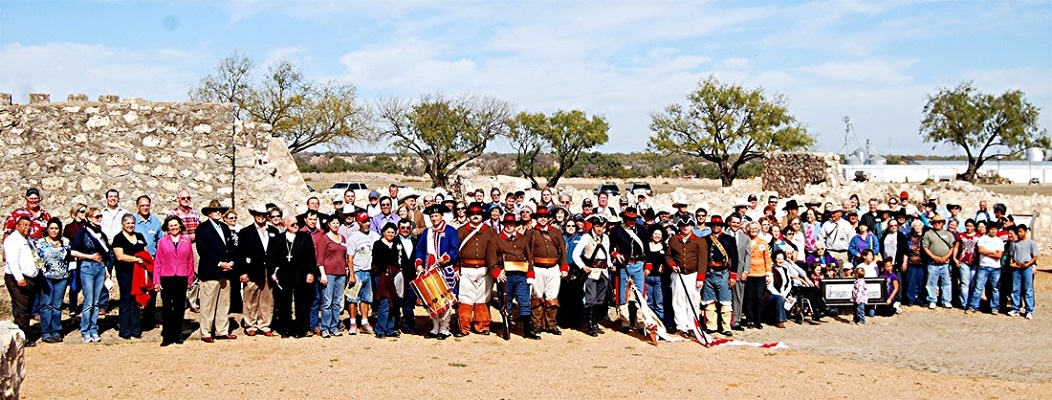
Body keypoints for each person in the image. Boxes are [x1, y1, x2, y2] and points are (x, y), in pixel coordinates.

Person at [415, 204, 461, 339]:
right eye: (432, 216)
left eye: (436, 216)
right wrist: (418, 263)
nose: (434, 218)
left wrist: (446, 258)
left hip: (444, 268)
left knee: (445, 299)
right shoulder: (427, 232)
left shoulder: (451, 231)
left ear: (442, 216)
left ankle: (445, 327)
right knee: (432, 298)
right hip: (429, 267)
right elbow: (420, 249)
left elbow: (455, 249)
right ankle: (435, 326)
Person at [452, 202, 496, 337]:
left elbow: (495, 251)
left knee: (482, 299)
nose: (475, 217)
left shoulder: (490, 231)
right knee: (465, 299)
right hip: (466, 269)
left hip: (484, 269)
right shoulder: (461, 231)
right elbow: (455, 251)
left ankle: (482, 326)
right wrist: (456, 267)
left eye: (478, 214)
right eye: (472, 214)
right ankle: (463, 327)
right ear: (468, 215)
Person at [236, 204, 280, 337]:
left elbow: (277, 253)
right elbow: (240, 254)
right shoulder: (245, 232)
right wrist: (243, 272)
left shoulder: (273, 231)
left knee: (267, 298)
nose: (260, 217)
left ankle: (265, 324)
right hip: (252, 270)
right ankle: (250, 325)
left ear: (267, 216)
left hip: (269, 270)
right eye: (257, 214)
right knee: (250, 297)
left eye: (263, 214)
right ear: (254, 215)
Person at [196, 200, 237, 343]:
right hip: (211, 271)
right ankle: (206, 331)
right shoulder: (202, 228)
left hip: (225, 272)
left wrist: (231, 261)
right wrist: (219, 263)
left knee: (223, 303)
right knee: (208, 303)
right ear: (209, 213)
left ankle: (222, 329)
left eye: (220, 211)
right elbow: (203, 250)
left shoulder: (225, 227)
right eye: (215, 211)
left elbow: (231, 246)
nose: (218, 213)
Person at [69, 208, 112, 343]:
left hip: (100, 268)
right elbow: (73, 252)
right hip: (87, 267)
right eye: (96, 216)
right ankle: (85, 330)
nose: (98, 219)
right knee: (88, 301)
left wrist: (106, 269)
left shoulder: (102, 234)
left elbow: (105, 255)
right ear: (89, 217)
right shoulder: (82, 233)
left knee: (96, 301)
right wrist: (90, 257)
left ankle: (94, 328)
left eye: (100, 216)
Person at [526, 207, 568, 335]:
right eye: (540, 217)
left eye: (544, 217)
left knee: (552, 296)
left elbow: (562, 250)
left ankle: (551, 324)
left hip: (554, 268)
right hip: (537, 267)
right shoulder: (531, 233)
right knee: (537, 297)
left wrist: (564, 267)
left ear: (548, 218)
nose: (542, 219)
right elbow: (526, 252)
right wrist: (530, 270)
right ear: (536, 219)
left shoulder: (556, 232)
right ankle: (537, 324)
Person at [571, 215, 614, 337]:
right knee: (590, 298)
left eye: (602, 226)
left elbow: (607, 253)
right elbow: (575, 254)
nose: (600, 229)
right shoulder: (586, 237)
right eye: (597, 226)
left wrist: (610, 264)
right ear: (593, 226)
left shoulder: (605, 237)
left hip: (603, 271)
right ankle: (589, 325)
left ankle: (595, 323)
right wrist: (582, 266)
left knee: (600, 299)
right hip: (592, 271)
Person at [154, 216, 194, 346]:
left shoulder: (186, 241)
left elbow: (190, 261)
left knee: (178, 308)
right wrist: (156, 281)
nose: (173, 227)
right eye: (171, 225)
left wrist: (190, 279)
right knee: (166, 308)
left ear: (180, 226)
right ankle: (167, 336)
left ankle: (177, 335)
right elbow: (158, 262)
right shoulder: (162, 242)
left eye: (175, 225)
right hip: (167, 277)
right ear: (167, 227)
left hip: (181, 277)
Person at [5, 217, 44, 346]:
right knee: (22, 309)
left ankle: (22, 333)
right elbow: (12, 261)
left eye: (29, 225)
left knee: (27, 308)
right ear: (17, 226)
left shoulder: (28, 240)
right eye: (24, 225)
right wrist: (19, 278)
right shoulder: (12, 241)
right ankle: (21, 339)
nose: (27, 228)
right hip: (18, 278)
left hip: (31, 279)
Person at [608, 207, 647, 332]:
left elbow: (647, 248)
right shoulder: (616, 231)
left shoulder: (641, 230)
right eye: (629, 219)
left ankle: (640, 322)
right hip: (624, 265)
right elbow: (610, 248)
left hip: (638, 264)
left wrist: (648, 266)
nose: (631, 221)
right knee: (622, 294)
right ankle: (625, 322)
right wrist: (615, 255)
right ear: (624, 219)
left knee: (640, 294)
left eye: (633, 219)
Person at [666, 219, 707, 336]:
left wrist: (700, 278)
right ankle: (681, 326)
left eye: (688, 225)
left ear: (692, 227)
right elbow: (668, 256)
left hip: (693, 275)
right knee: (678, 300)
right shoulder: (674, 240)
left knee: (693, 301)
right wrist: (672, 265)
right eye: (683, 225)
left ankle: (692, 326)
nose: (685, 228)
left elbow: (703, 261)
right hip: (678, 275)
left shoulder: (699, 241)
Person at [111, 214, 147, 339]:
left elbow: (145, 252)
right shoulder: (118, 238)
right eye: (128, 223)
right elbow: (120, 256)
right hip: (124, 273)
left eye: (132, 223)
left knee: (136, 300)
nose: (130, 225)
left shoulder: (140, 236)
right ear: (123, 224)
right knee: (126, 299)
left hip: (138, 273)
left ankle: (136, 329)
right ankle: (125, 330)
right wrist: (136, 259)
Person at [36, 218, 71, 343]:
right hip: (46, 278)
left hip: (62, 277)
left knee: (57, 306)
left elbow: (69, 258)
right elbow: (37, 259)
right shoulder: (40, 243)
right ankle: (46, 331)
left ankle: (56, 330)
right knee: (46, 305)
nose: (54, 231)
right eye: (51, 228)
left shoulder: (65, 242)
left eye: (56, 228)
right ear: (47, 229)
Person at [701, 216, 737, 336]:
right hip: (708, 273)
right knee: (709, 301)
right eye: (714, 225)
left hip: (723, 273)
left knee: (725, 301)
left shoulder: (729, 239)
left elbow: (735, 259)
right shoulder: (705, 239)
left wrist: (733, 276)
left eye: (718, 225)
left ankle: (726, 327)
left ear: (722, 226)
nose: (716, 227)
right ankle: (711, 326)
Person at [167, 190, 202, 313]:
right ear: (178, 199)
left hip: (193, 245)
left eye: (188, 197)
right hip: (179, 246)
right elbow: (169, 231)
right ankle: (179, 301)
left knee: (194, 274)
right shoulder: (173, 213)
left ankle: (193, 302)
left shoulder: (195, 213)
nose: (186, 200)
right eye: (183, 198)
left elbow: (200, 229)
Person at [346, 211, 379, 335]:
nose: (367, 223)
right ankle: (353, 322)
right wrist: (352, 274)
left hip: (369, 271)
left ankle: (364, 322)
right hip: (357, 270)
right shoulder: (353, 238)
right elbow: (349, 258)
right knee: (353, 298)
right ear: (359, 223)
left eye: (368, 221)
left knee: (366, 298)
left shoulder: (374, 235)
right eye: (364, 221)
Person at [315, 214, 348, 338]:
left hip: (341, 274)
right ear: (328, 224)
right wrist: (323, 274)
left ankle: (334, 326)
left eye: (337, 222)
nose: (335, 225)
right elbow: (320, 258)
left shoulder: (343, 238)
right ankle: (325, 327)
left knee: (337, 302)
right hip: (328, 273)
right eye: (333, 222)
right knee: (327, 302)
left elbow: (344, 256)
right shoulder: (324, 238)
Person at [133, 196, 162, 329]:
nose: (145, 208)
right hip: (136, 263)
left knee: (152, 291)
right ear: (137, 206)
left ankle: (149, 319)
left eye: (147, 205)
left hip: (152, 262)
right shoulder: (132, 221)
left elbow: (160, 241)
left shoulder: (155, 221)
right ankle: (135, 321)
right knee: (137, 290)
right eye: (142, 205)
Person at [370, 223, 404, 338]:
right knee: (384, 303)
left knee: (393, 303)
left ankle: (390, 329)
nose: (390, 234)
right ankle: (380, 329)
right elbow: (377, 260)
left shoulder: (396, 244)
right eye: (388, 232)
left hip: (394, 276)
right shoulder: (378, 244)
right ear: (383, 232)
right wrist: (386, 268)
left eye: (393, 232)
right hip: (382, 276)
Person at [967, 222, 1004, 315]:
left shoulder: (999, 241)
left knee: (995, 288)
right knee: (978, 288)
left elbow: (999, 255)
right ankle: (973, 306)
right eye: (992, 229)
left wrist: (987, 252)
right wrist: (993, 253)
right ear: (988, 229)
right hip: (983, 266)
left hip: (996, 267)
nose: (993, 231)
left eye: (995, 229)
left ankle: (994, 307)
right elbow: (980, 250)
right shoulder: (983, 239)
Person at [922, 214, 954, 309]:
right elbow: (925, 247)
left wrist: (946, 257)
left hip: (945, 262)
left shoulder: (948, 234)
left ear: (943, 223)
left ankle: (946, 300)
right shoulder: (928, 234)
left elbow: (952, 247)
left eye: (939, 222)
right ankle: (932, 300)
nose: (937, 224)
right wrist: (933, 256)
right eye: (935, 222)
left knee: (946, 282)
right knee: (931, 282)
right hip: (932, 262)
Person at [559, 219, 586, 329]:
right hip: (562, 269)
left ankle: (575, 321)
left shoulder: (580, 239)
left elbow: (583, 255)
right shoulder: (561, 239)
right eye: (568, 226)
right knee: (563, 296)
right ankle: (563, 320)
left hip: (576, 270)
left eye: (573, 226)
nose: (570, 228)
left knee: (576, 297)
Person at [1007, 225, 1038, 319]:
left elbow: (1035, 256)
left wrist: (1028, 264)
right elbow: (1011, 256)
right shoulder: (1014, 244)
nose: (1019, 234)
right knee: (1016, 289)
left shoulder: (1031, 243)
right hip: (1017, 267)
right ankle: (1016, 308)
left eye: (1021, 232)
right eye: (1018, 232)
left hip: (1026, 267)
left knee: (1028, 289)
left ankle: (1029, 310)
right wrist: (1012, 264)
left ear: (1025, 232)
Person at [744, 222, 770, 329]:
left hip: (760, 274)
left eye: (755, 228)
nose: (753, 230)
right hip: (749, 274)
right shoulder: (746, 241)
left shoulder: (763, 242)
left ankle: (758, 320)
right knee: (749, 298)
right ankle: (750, 319)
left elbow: (767, 259)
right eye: (751, 228)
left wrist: (768, 274)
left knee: (759, 298)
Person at [63, 202, 88, 313]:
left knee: (86, 284)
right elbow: (65, 243)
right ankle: (72, 307)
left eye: (86, 211)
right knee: (74, 283)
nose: (84, 214)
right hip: (74, 259)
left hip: (87, 258)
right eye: (82, 211)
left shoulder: (88, 226)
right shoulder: (69, 227)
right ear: (76, 212)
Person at [726, 214, 751, 331]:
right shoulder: (723, 235)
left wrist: (746, 271)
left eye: (737, 223)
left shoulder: (745, 238)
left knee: (738, 297)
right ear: (729, 223)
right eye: (733, 222)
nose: (735, 225)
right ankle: (724, 321)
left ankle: (736, 321)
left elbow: (748, 256)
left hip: (740, 271)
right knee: (725, 298)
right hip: (725, 271)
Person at [394, 219, 419, 334]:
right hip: (397, 275)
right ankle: (393, 325)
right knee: (395, 302)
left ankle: (408, 325)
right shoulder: (393, 241)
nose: (405, 230)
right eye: (402, 228)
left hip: (411, 276)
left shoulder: (415, 241)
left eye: (408, 228)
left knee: (409, 302)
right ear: (398, 228)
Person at [643, 225, 668, 328]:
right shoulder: (646, 246)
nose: (657, 236)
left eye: (659, 234)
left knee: (659, 302)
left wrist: (665, 266)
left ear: (662, 236)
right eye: (655, 234)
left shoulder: (665, 248)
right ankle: (650, 325)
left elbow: (669, 260)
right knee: (649, 303)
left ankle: (660, 324)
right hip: (647, 278)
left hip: (659, 279)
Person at [954, 219, 980, 308]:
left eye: (971, 226)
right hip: (963, 261)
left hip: (975, 262)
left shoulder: (978, 236)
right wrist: (955, 258)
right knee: (964, 284)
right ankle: (964, 303)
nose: (969, 228)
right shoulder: (961, 236)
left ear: (974, 227)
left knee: (973, 284)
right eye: (967, 226)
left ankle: (971, 302)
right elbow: (956, 247)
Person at [766, 251, 793, 329]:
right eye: (778, 259)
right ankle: (780, 320)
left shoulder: (785, 269)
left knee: (791, 298)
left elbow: (789, 283)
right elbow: (770, 287)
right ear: (774, 259)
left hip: (783, 293)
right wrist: (781, 295)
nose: (780, 261)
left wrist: (785, 293)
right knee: (780, 298)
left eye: (782, 259)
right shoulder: (771, 270)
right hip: (771, 295)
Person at [902, 220, 926, 306]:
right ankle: (910, 299)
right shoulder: (909, 237)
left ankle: (921, 299)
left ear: (922, 227)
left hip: (922, 263)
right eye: (915, 226)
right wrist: (904, 262)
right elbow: (906, 251)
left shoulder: (925, 237)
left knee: (921, 282)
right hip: (911, 262)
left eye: (919, 226)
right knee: (910, 282)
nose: (917, 228)